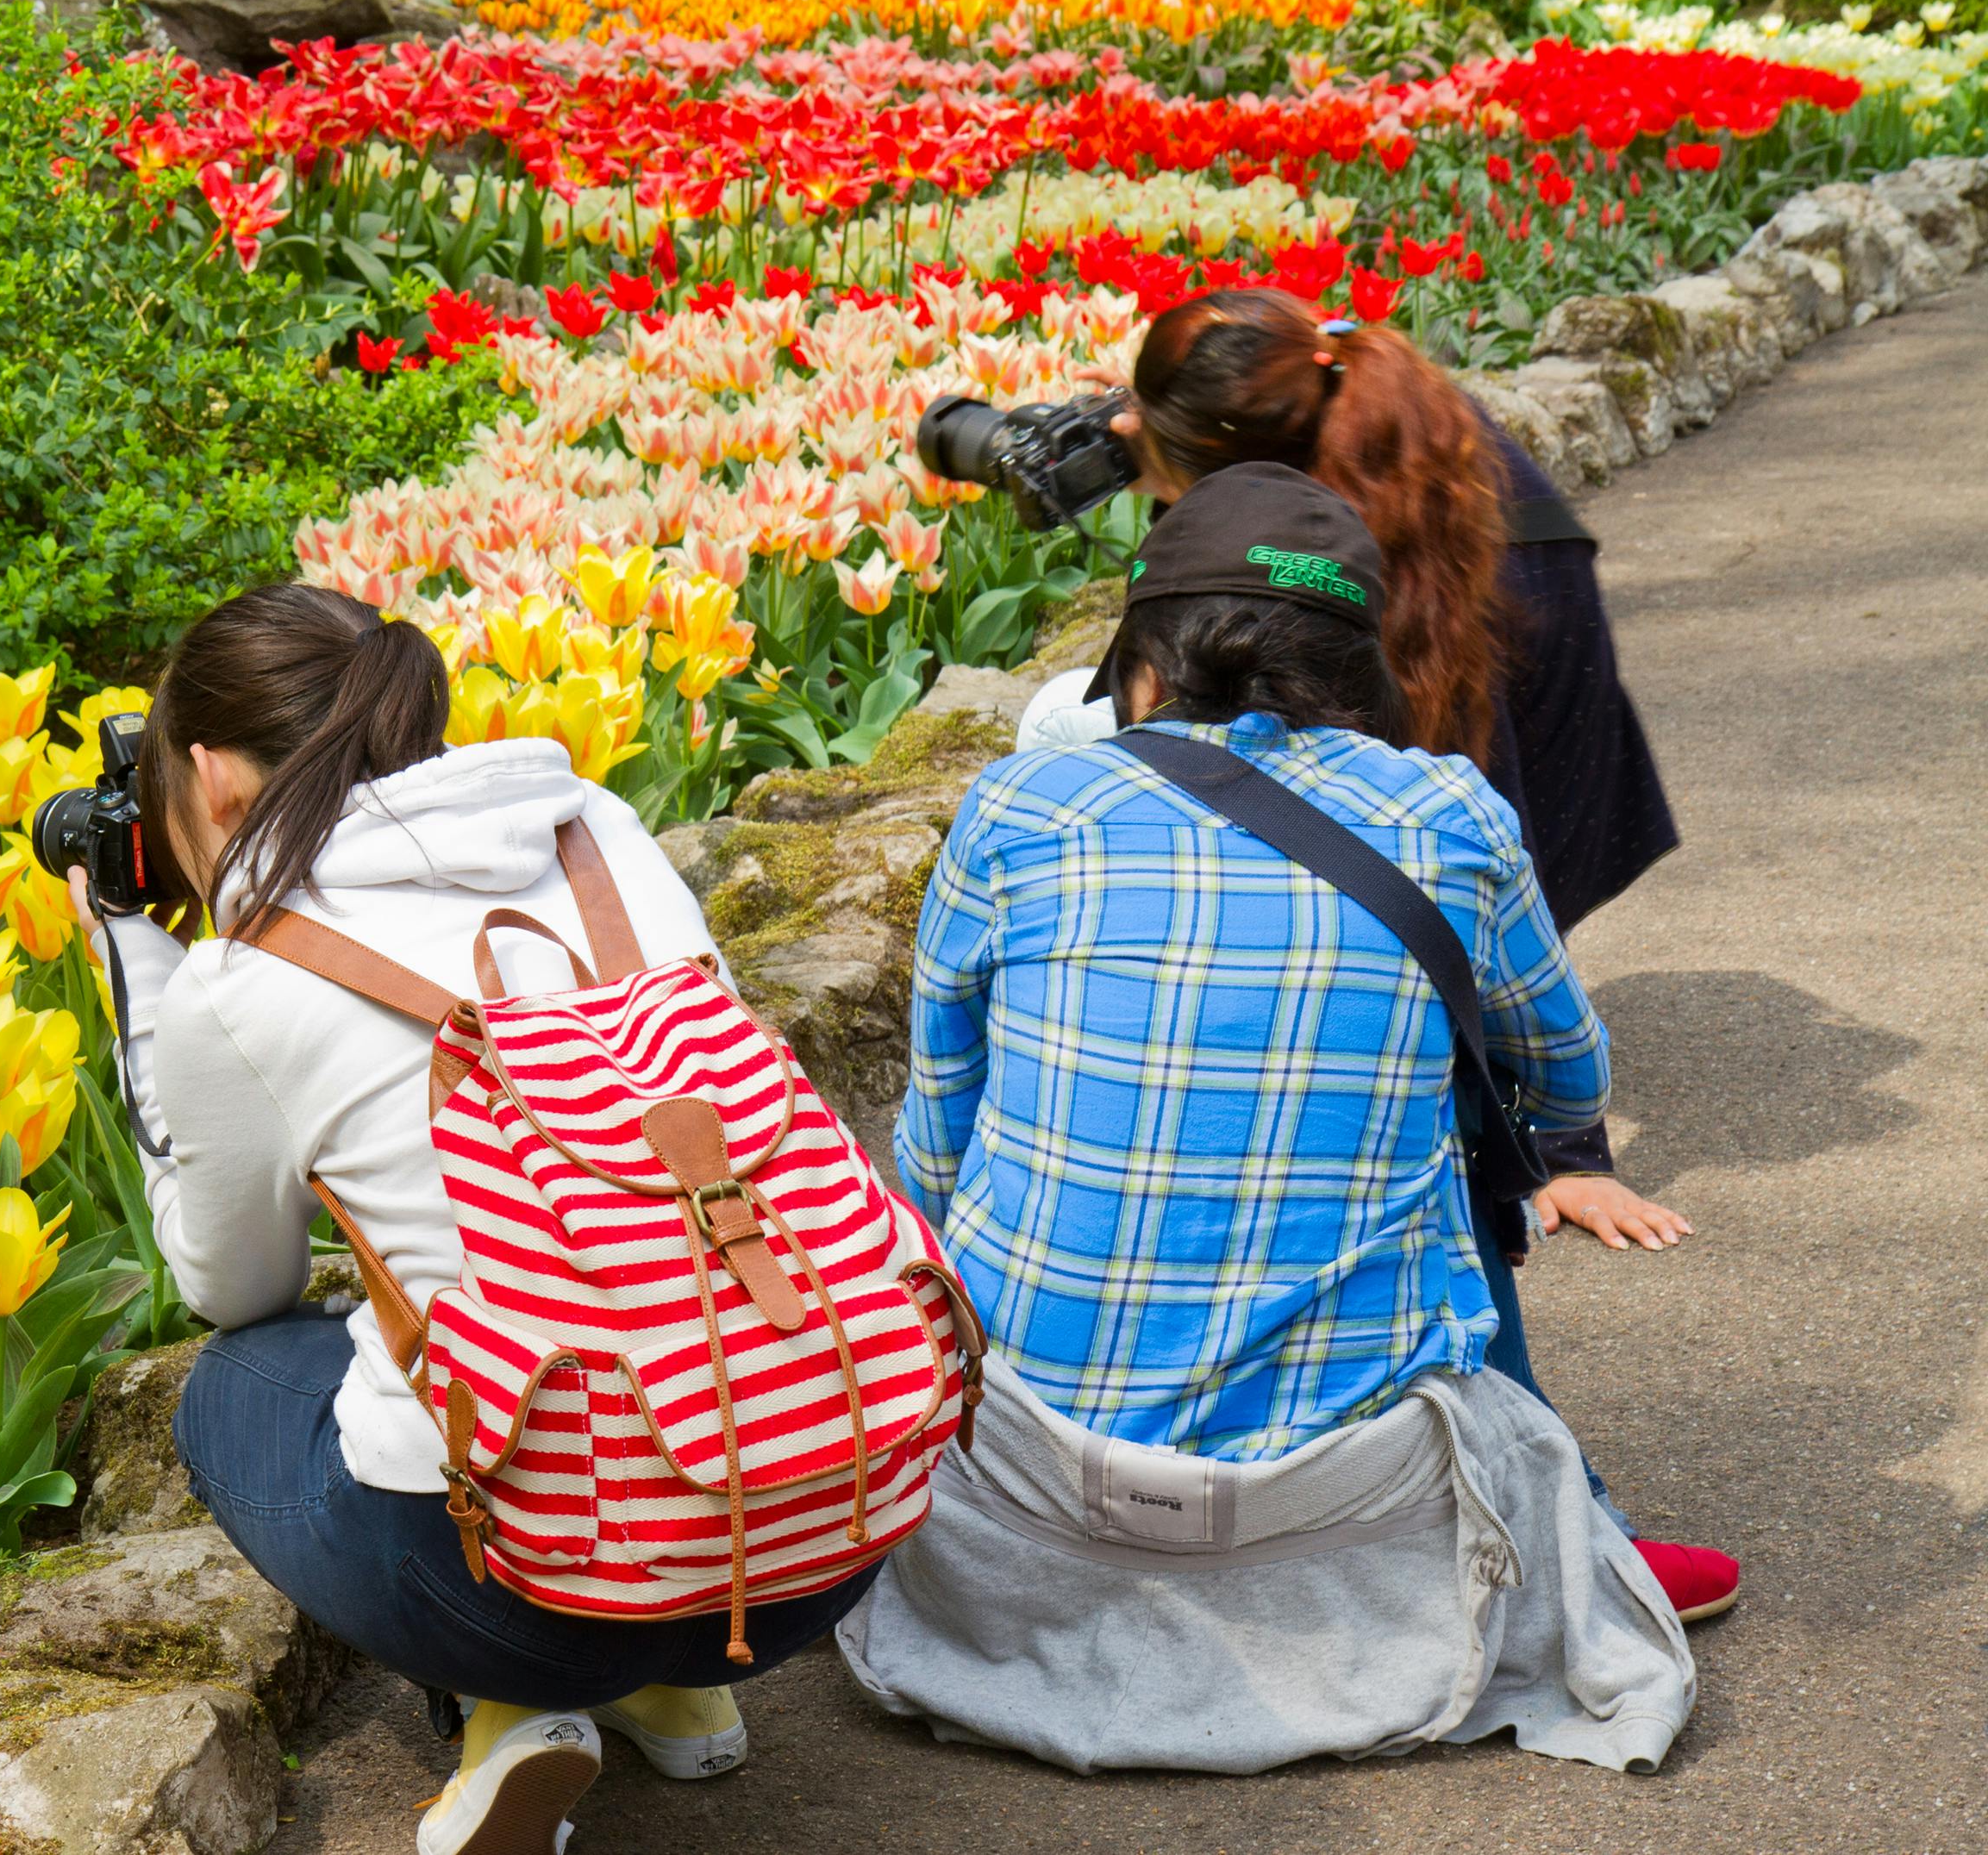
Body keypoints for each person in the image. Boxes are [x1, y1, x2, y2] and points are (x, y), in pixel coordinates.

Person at [840, 466, 1703, 1773]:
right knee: (1455, 1173)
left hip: (1029, 1474)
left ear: (1142, 662)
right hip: (1343, 1500)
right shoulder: (1449, 811)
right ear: (1363, 664)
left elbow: (937, 1149)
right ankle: (1563, 1538)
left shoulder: (1015, 810)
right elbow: (1568, 1077)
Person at [84, 585, 872, 1855]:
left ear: (213, 776)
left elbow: (230, 1286)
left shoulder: (243, 978)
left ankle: (523, 1697)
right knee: (598, 1295)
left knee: (243, 1383)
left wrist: (144, 977)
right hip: (820, 1529)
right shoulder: (592, 826)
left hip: (522, 1594)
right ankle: (674, 1683)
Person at [1023, 289, 1690, 1258]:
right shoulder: (1336, 378)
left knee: (1450, 847)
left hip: (1521, 647)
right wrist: (1160, 420)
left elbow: (1489, 840)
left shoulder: (1394, 576)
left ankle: (1523, 1126)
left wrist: (1566, 1150)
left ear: (1243, 465)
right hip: (1495, 608)